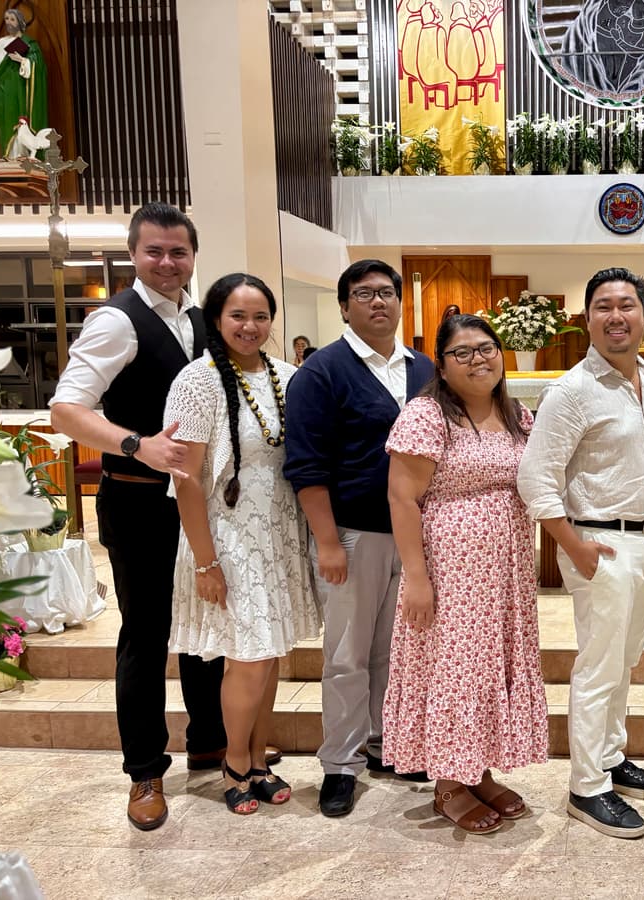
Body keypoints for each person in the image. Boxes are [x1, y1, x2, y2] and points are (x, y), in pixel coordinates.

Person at [49, 204, 228, 830]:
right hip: (135, 499)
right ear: (134, 254)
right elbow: (66, 409)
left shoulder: (202, 320)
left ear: (192, 257)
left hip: (196, 505)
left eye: (178, 252)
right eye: (154, 251)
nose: (167, 262)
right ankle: (145, 772)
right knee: (146, 637)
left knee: (208, 626)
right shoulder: (114, 322)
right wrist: (137, 443)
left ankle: (210, 741)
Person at [518, 266, 644, 840]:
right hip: (599, 542)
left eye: (627, 305)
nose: (616, 316)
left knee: (624, 661)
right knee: (599, 666)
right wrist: (572, 547)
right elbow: (536, 478)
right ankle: (587, 785)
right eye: (603, 306)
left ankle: (609, 756)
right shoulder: (572, 390)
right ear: (586, 319)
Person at [383, 313, 548, 835]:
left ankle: (478, 769)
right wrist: (417, 576)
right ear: (442, 364)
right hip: (453, 569)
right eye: (463, 352)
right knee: (457, 667)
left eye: (487, 348)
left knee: (489, 666)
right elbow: (401, 497)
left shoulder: (517, 414)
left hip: (507, 571)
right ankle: (449, 784)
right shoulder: (427, 415)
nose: (479, 359)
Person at [164, 274, 322, 815]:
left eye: (260, 317)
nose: (250, 327)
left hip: (276, 536)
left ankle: (258, 759)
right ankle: (233, 763)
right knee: (248, 658)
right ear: (215, 319)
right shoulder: (197, 381)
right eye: (237, 316)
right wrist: (205, 561)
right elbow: (185, 480)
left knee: (271, 654)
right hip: (227, 541)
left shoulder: (286, 376)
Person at [284, 259, 436, 817]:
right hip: (352, 534)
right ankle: (340, 763)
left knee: (394, 652)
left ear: (400, 302)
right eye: (363, 294)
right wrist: (327, 541)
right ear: (345, 306)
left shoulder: (423, 369)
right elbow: (306, 465)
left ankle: (384, 744)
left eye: (387, 293)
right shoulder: (322, 372)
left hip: (414, 537)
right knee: (347, 654)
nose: (378, 302)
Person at [0, 9, 47, 161]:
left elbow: (38, 66)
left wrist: (24, 61)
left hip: (23, 91)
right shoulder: (1, 43)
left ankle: (25, 156)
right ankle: (11, 157)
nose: (8, 22)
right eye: (6, 19)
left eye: (12, 19)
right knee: (9, 123)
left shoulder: (29, 43)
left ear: (20, 22)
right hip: (6, 91)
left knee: (23, 125)